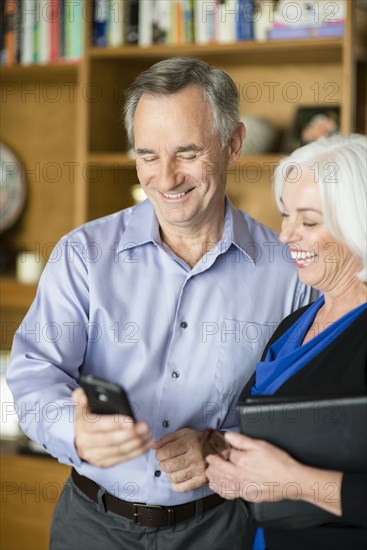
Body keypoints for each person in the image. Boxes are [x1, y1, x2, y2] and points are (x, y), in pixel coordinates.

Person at [7, 57, 316, 550]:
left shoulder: (291, 272)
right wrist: (74, 428)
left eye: (187, 153)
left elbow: (300, 412)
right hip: (91, 525)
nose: (166, 178)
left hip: (218, 529)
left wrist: (219, 447)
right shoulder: (83, 254)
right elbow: (33, 371)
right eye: (147, 155)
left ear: (233, 144)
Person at [206, 133, 367, 550]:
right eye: (285, 216)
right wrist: (219, 452)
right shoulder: (296, 323)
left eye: (309, 222)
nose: (286, 236)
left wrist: (293, 482)